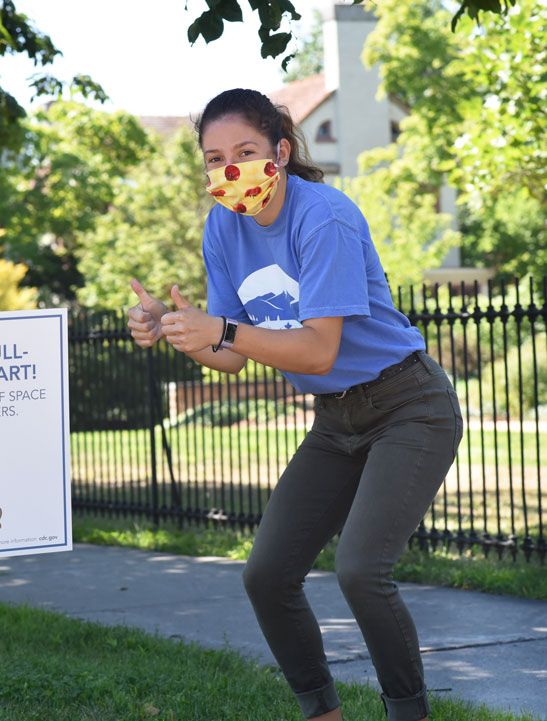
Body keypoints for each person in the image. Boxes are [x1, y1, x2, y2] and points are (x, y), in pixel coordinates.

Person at [126, 88, 463, 721]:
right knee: (266, 575)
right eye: (214, 158)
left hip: (408, 404)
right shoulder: (223, 227)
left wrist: (220, 329)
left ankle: (409, 715)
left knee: (362, 570)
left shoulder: (323, 217)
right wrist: (175, 327)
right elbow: (229, 353)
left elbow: (316, 352)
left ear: (280, 152)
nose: (229, 170)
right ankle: (322, 714)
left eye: (246, 152)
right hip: (337, 420)